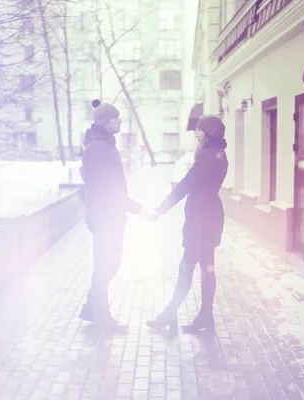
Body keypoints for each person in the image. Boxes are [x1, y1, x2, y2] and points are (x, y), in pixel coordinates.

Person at [146, 115, 229, 332]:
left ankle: (170, 314)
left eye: (200, 130)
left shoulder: (208, 157)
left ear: (208, 134)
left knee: (187, 268)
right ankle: (205, 316)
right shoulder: (219, 154)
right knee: (207, 268)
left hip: (201, 220)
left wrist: (160, 209)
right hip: (209, 217)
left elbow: (186, 184)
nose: (196, 134)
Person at [79, 99, 151, 326]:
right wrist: (137, 208)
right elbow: (107, 187)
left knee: (109, 262)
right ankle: (101, 316)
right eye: (116, 117)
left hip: (109, 216)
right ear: (106, 121)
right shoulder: (99, 149)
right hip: (105, 217)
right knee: (106, 263)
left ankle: (93, 308)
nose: (120, 120)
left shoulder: (104, 146)